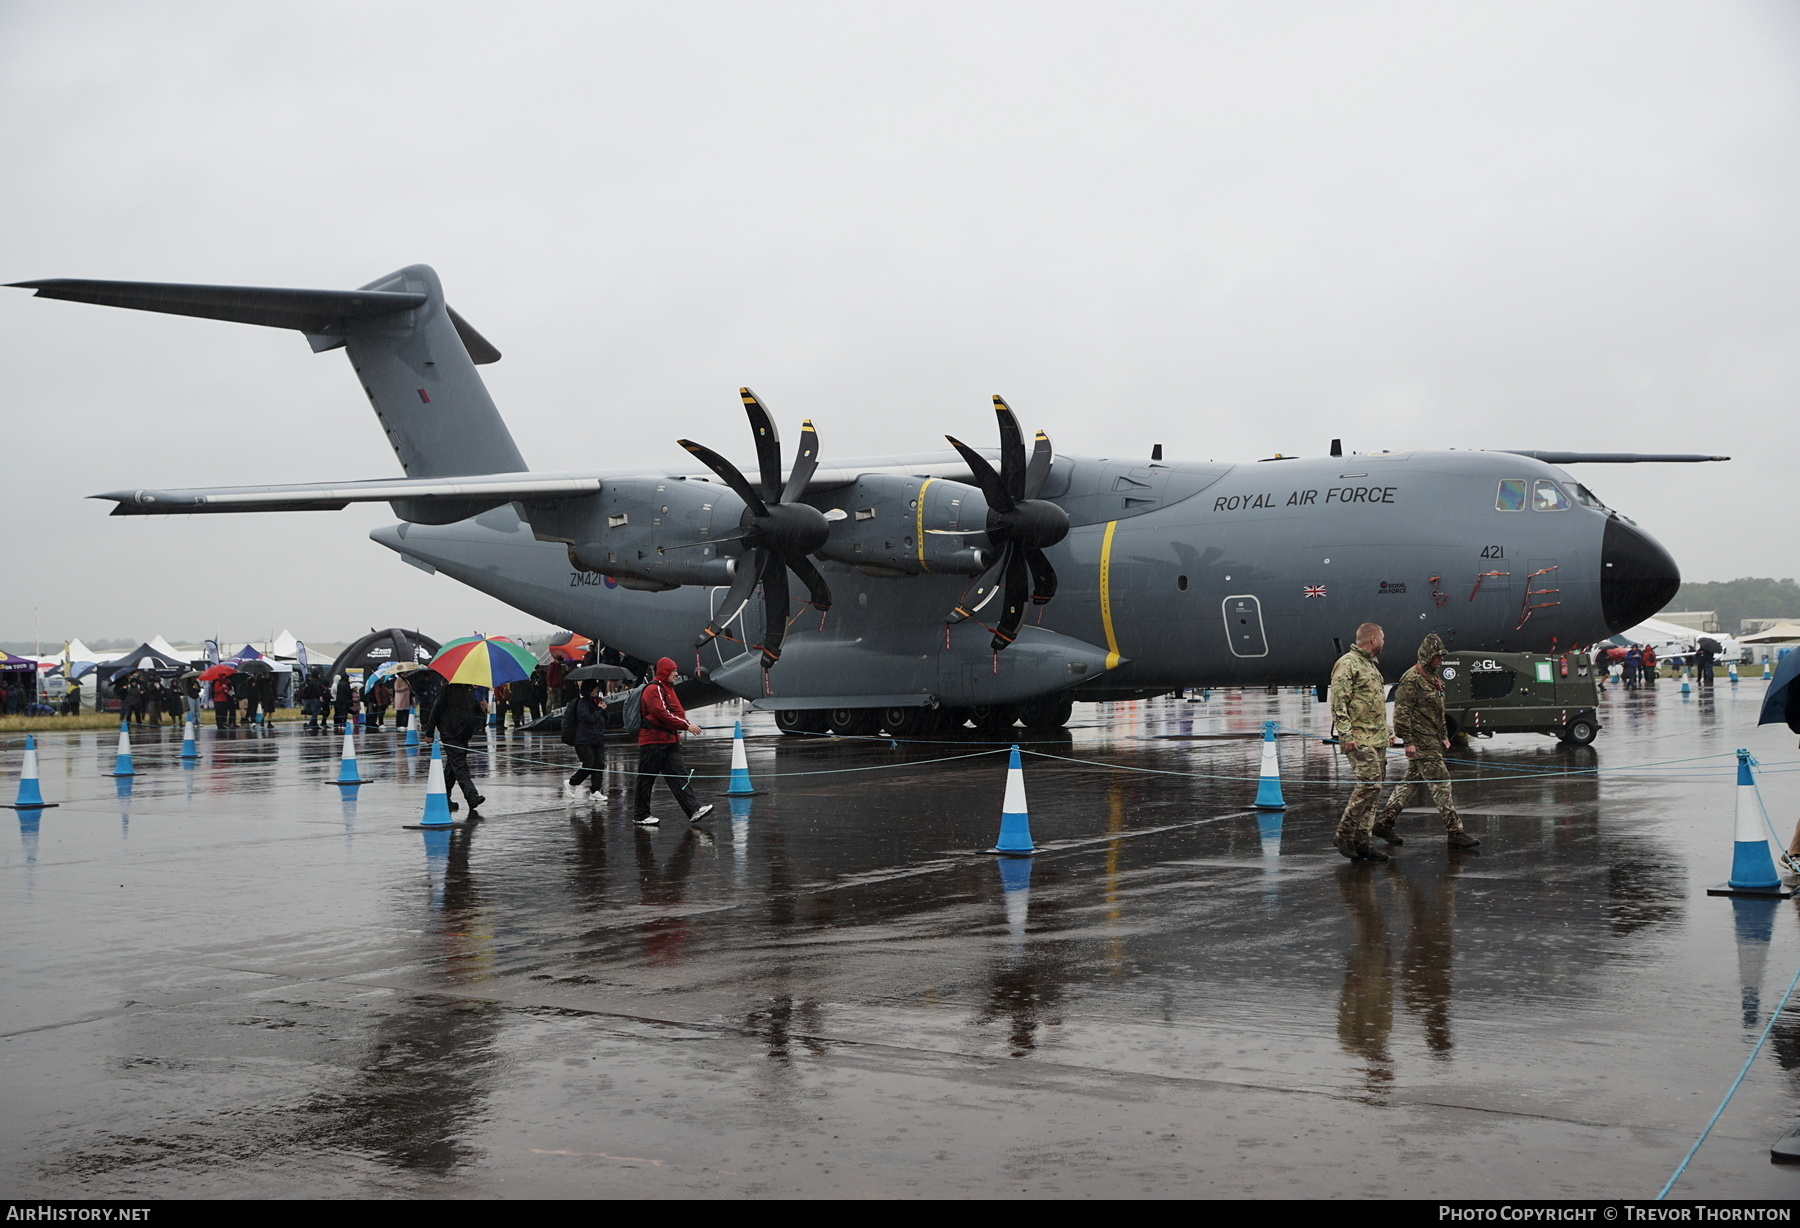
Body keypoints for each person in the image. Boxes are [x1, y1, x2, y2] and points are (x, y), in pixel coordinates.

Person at [1370, 633, 1481, 850]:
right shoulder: (1412, 679)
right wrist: (1409, 741)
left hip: (1432, 740)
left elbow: (1437, 711)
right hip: (1420, 743)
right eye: (1437, 656)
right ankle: (1454, 831)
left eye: (1441, 656)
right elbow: (1401, 714)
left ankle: (1384, 823)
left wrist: (1443, 736)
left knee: (1410, 784)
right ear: (1427, 656)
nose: (1441, 659)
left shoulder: (1434, 679)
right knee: (1442, 783)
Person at [1330, 622, 1392, 862]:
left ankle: (1363, 843)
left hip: (1377, 738)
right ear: (1374, 639)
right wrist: (1345, 736)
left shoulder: (1371, 666)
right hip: (1359, 738)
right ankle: (1344, 834)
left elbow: (1375, 703)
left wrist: (1387, 731)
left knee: (1375, 792)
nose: (1384, 643)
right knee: (1370, 785)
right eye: (1383, 638)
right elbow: (1338, 703)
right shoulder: (1347, 664)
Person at [632, 657, 714, 827]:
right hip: (654, 742)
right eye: (673, 670)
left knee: (679, 776)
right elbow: (661, 712)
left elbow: (669, 713)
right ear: (665, 671)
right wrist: (686, 725)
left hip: (669, 740)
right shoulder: (654, 689)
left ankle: (693, 809)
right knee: (646, 780)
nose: (676, 674)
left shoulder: (666, 688)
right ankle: (640, 815)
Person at [424, 680, 488, 815]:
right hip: (450, 734)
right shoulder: (448, 690)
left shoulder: (469, 690)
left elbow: (469, 710)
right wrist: (429, 732)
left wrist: (479, 707)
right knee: (460, 766)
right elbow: (436, 710)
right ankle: (472, 796)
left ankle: (444, 797)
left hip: (464, 734)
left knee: (452, 768)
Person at [560, 679, 610, 805]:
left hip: (597, 738)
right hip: (583, 739)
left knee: (599, 764)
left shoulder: (597, 702)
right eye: (595, 689)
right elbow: (589, 719)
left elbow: (605, 720)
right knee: (589, 763)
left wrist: (604, 710)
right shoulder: (582, 703)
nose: (597, 691)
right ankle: (572, 782)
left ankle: (595, 790)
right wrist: (599, 710)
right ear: (589, 690)